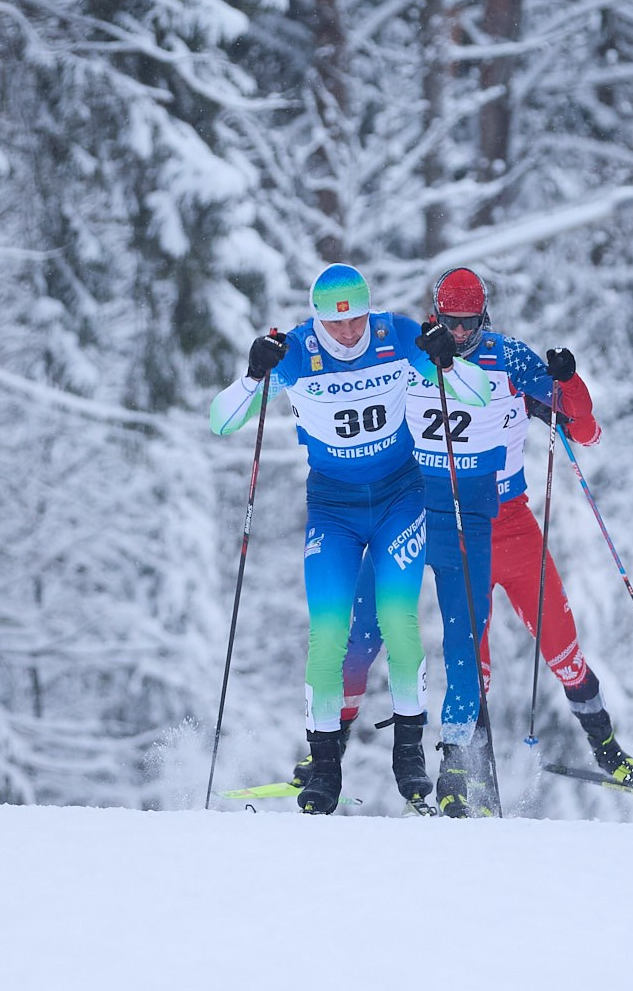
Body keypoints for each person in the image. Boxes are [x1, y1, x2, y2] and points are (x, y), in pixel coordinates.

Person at [350, 266, 633, 804]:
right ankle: (466, 776)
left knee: (563, 647)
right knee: (470, 664)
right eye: (451, 323)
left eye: (469, 324)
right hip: (441, 524)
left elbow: (585, 430)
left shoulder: (509, 358)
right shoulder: (408, 356)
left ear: (483, 318)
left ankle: (611, 754)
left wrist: (567, 381)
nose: (461, 335)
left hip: (507, 524)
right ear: (434, 315)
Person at [207, 263, 486, 814]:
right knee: (329, 634)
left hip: (399, 499)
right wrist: (251, 375)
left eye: (356, 321)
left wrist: (445, 361)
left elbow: (473, 396)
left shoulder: (395, 335)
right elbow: (221, 422)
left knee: (398, 621)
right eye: (336, 326)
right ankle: (325, 765)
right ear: (316, 321)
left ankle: (409, 755)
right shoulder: (295, 351)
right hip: (333, 508)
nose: (349, 334)